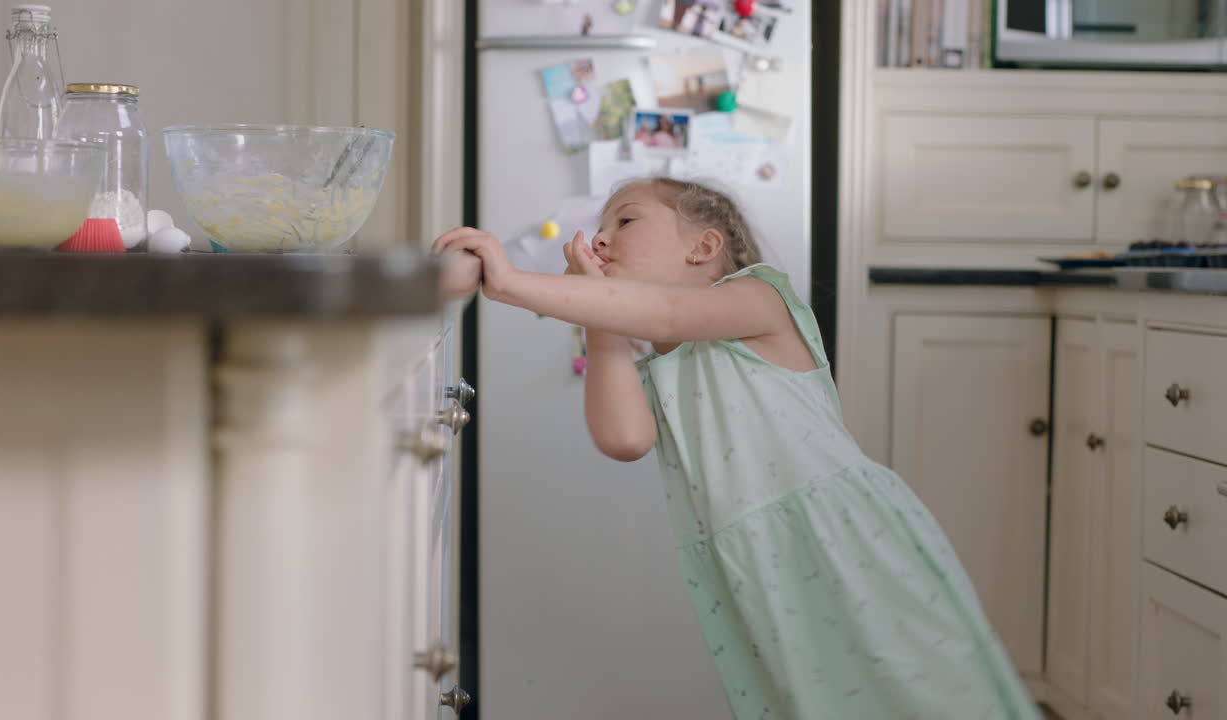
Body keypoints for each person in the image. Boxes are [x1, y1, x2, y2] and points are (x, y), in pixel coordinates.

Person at [432, 178, 1041, 719]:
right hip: (751, 562)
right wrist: (602, 324)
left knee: (915, 686)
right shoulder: (663, 363)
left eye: (627, 219)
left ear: (704, 247)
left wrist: (510, 282)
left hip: (837, 534)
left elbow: (666, 312)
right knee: (809, 699)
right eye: (603, 223)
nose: (602, 236)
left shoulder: (760, 299)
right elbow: (623, 438)